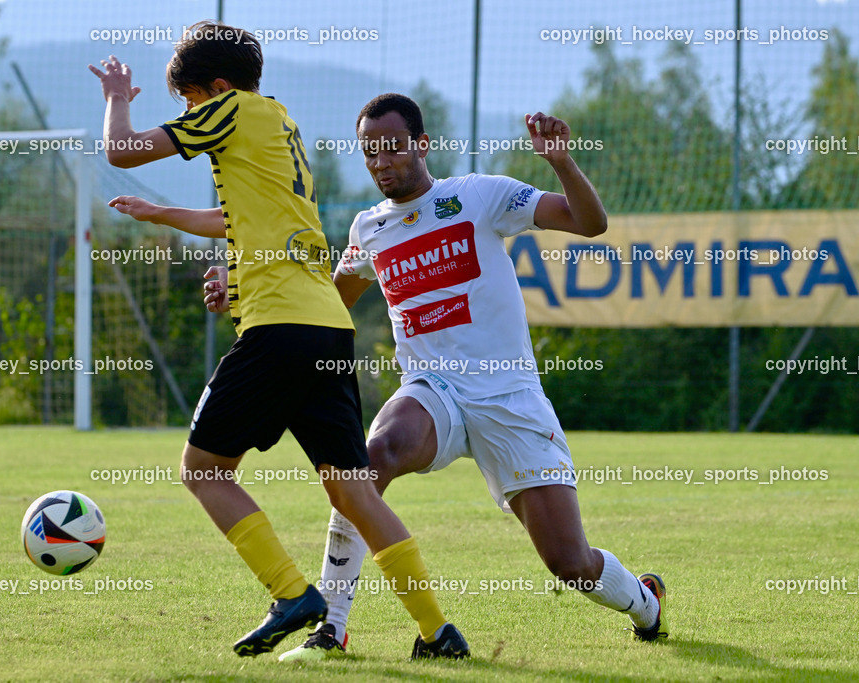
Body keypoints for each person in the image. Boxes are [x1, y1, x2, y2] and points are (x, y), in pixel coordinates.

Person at [198, 93, 668, 661]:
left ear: (422, 144)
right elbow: (324, 302)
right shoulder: (368, 228)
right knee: (366, 463)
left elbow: (590, 223)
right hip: (432, 391)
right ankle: (332, 628)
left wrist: (562, 162)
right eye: (369, 151)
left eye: (392, 147)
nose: (380, 161)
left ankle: (645, 602)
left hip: (509, 396)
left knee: (571, 565)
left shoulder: (477, 195)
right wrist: (245, 291)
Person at [90, 25, 466, 659]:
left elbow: (122, 150)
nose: (189, 114)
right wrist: (164, 217)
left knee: (203, 469)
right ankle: (437, 630)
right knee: (352, 487)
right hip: (326, 328)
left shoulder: (226, 110)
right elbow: (243, 219)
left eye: (188, 101)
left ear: (216, 87)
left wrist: (118, 99)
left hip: (279, 330)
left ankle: (293, 594)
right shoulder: (278, 124)